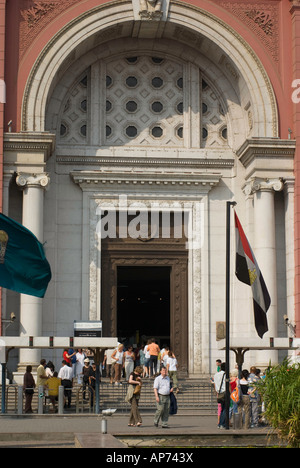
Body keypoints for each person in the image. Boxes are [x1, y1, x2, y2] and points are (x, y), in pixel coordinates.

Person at [213, 362, 226, 429]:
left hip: (219, 393)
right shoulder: (225, 375)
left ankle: (220, 423)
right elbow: (227, 384)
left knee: (221, 409)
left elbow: (215, 384)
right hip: (224, 392)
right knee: (225, 409)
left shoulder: (216, 375)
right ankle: (222, 424)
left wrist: (216, 391)